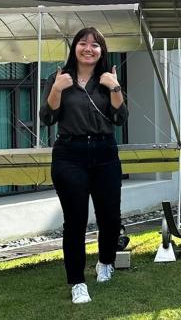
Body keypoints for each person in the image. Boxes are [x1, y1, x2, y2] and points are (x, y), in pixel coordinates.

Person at [39, 27, 128, 304]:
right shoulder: (58, 78)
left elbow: (120, 118)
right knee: (75, 221)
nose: (88, 48)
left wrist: (114, 86)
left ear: (102, 51)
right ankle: (77, 282)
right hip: (70, 154)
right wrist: (57, 89)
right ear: (75, 47)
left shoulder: (107, 79)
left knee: (110, 217)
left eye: (95, 45)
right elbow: (47, 118)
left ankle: (105, 262)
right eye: (83, 43)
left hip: (104, 152)